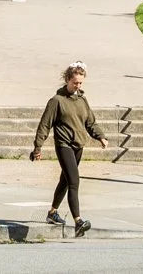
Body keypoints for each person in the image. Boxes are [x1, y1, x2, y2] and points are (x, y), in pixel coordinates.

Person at [31, 61, 108, 236]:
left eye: (81, 83)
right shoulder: (56, 101)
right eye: (75, 83)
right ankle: (78, 221)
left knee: (65, 181)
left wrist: (100, 136)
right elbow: (44, 125)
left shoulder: (82, 100)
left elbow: (90, 122)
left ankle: (52, 213)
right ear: (67, 80)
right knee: (74, 181)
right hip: (64, 145)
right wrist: (38, 147)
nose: (78, 86)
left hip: (78, 145)